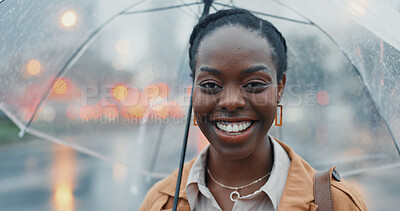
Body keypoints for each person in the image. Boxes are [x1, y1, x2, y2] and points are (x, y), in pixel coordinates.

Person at [140, 8, 367, 211]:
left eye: (254, 84)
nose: (231, 102)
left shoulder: (336, 204)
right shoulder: (159, 203)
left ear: (280, 88)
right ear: (193, 90)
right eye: (210, 85)